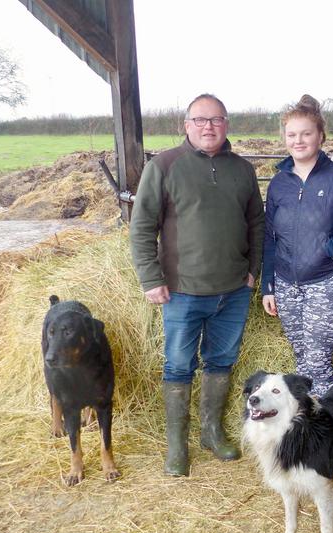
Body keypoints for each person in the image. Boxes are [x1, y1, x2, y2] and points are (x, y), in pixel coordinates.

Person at [130, 93, 265, 476]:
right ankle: (177, 445)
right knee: (178, 366)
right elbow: (142, 226)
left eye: (217, 119)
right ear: (186, 125)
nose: (209, 126)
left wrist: (253, 269)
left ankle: (211, 431)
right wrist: (150, 277)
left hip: (233, 290)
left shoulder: (241, 169)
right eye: (200, 120)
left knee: (221, 360)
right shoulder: (164, 166)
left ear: (226, 125)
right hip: (181, 290)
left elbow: (257, 222)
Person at [261, 95, 333, 396]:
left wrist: (331, 247)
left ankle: (326, 432)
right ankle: (310, 428)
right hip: (287, 284)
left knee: (317, 363)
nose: (299, 141)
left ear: (320, 136)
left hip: (328, 280)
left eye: (306, 133)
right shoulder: (279, 183)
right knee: (302, 360)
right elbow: (269, 236)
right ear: (284, 138)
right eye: (292, 134)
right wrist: (268, 286)